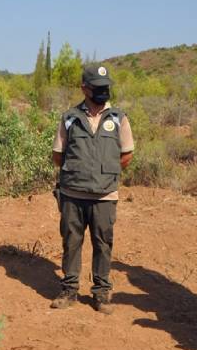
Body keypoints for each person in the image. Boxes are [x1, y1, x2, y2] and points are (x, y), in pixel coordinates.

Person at [50, 65, 134, 314]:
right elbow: (58, 155)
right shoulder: (70, 117)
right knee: (71, 242)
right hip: (73, 194)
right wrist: (81, 171)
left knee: (103, 243)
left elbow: (126, 154)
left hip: (105, 196)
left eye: (105, 86)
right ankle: (69, 290)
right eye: (97, 87)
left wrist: (102, 172)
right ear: (84, 88)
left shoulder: (119, 117)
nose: (103, 91)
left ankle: (101, 293)